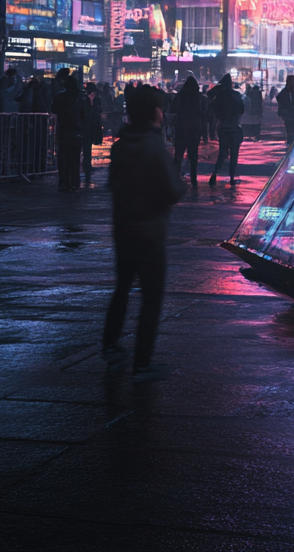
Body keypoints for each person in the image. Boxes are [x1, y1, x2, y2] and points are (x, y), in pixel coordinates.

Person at [101, 83, 186, 381]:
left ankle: (111, 346)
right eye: (160, 108)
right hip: (150, 232)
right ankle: (142, 362)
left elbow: (114, 184)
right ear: (153, 112)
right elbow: (172, 191)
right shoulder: (154, 148)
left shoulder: (120, 145)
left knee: (122, 288)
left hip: (123, 227)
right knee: (151, 297)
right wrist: (181, 179)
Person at [52, 74, 87, 192]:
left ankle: (64, 182)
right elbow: (85, 114)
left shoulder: (60, 97)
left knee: (63, 157)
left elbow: (54, 109)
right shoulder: (81, 97)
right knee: (75, 158)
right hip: (76, 129)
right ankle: (75, 182)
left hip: (64, 129)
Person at [208, 74, 245, 186]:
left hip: (223, 128)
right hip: (234, 127)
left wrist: (219, 87)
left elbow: (210, 99)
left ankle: (214, 175)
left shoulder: (218, 97)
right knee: (234, 154)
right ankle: (232, 178)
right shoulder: (236, 95)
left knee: (222, 153)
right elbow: (242, 110)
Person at [170, 76, 204, 187]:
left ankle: (175, 178)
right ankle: (194, 179)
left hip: (181, 128)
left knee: (178, 155)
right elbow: (204, 111)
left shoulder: (180, 96)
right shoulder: (199, 97)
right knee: (193, 155)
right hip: (195, 128)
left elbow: (172, 109)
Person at [82, 81, 104, 185]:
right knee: (87, 147)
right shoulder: (87, 99)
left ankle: (87, 165)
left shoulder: (94, 99)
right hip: (90, 125)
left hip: (90, 125)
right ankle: (86, 165)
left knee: (87, 146)